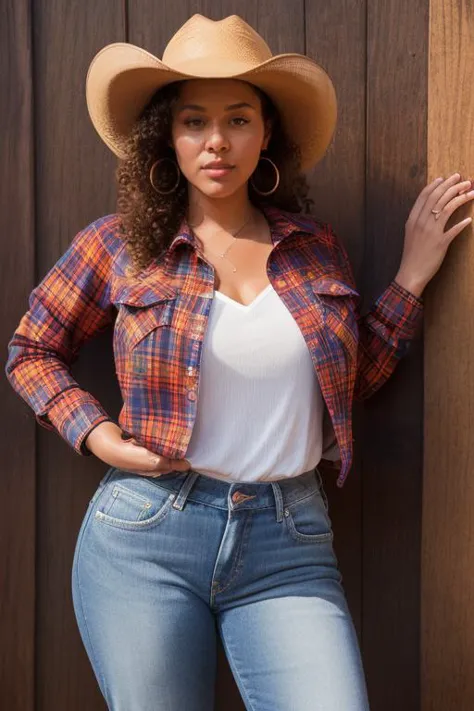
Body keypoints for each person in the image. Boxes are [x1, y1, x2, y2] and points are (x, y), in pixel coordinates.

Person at [6, 13, 473, 711]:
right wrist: (100, 436)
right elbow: (32, 348)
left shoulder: (317, 249)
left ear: (268, 135)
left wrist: (410, 277)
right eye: (194, 120)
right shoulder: (119, 245)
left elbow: (349, 384)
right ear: (168, 134)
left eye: (238, 119)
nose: (216, 141)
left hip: (290, 542)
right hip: (146, 536)